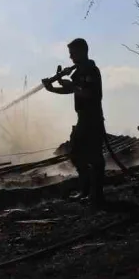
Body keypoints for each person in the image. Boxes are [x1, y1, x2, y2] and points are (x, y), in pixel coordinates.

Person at [43, 38, 106, 204]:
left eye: (73, 53)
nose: (70, 57)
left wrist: (72, 87)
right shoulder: (77, 72)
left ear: (83, 51)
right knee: (76, 154)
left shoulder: (92, 70)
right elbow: (72, 91)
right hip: (82, 118)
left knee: (95, 158)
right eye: (70, 54)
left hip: (93, 119)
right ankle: (85, 190)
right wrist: (52, 88)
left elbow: (90, 94)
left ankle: (96, 194)